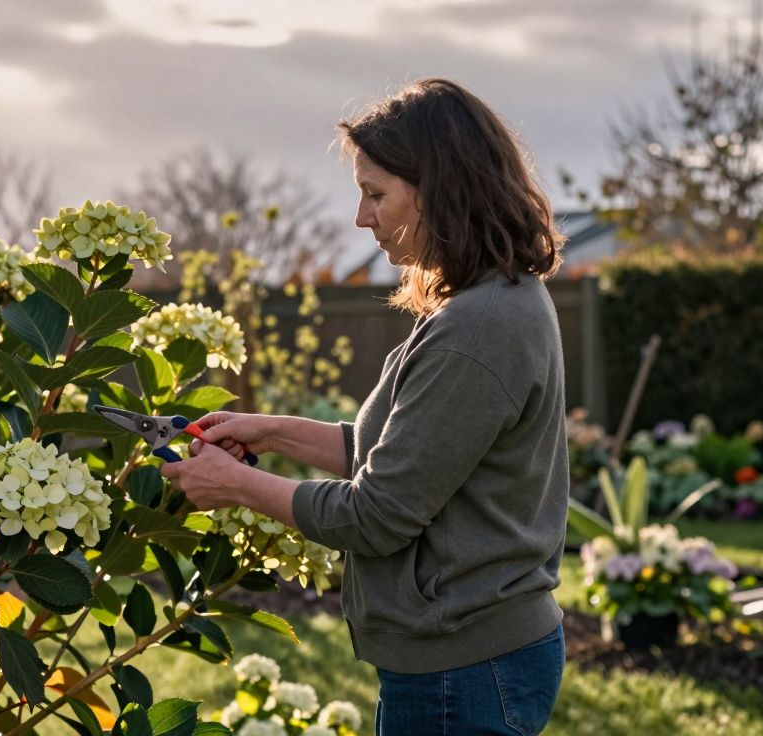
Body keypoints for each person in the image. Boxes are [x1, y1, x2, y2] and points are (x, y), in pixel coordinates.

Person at [158, 78, 569, 735]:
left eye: (375, 194)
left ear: (440, 188)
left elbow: (378, 515)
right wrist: (269, 430)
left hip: (461, 672)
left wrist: (234, 485)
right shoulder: (488, 303)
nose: (362, 217)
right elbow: (400, 455)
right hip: (462, 660)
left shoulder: (480, 326)